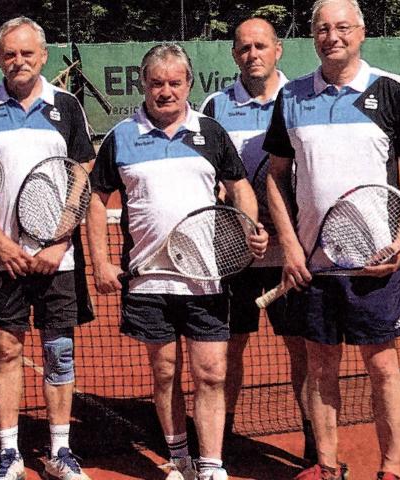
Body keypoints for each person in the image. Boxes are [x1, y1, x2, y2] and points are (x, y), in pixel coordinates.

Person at [86, 43, 268, 480]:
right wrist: (101, 262)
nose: (165, 91)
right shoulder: (121, 137)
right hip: (148, 282)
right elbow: (95, 198)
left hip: (205, 279)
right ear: (143, 84)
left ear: (188, 84)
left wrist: (250, 227)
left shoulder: (211, 132)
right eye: (156, 83)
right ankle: (180, 458)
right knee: (165, 372)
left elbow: (240, 187)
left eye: (174, 82)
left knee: (211, 374)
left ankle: (211, 465)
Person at [263, 1, 400, 479]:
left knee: (382, 367)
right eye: (322, 29)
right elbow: (276, 176)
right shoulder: (292, 96)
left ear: (361, 32)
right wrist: (291, 246)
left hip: (375, 263)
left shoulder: (390, 90)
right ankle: (328, 465)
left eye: (342, 27)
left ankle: (390, 469)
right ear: (312, 36)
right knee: (320, 369)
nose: (332, 37)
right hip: (313, 265)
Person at [0, 16, 96, 480]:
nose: (18, 61)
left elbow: (81, 174)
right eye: (10, 54)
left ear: (43, 56)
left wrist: (59, 240)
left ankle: (60, 450)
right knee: (6, 351)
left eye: (27, 53)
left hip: (57, 259)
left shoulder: (66, 105)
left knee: (59, 352)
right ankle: (9, 453)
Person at [199, 18, 316, 462]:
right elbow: (207, 172)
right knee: (229, 348)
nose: (253, 55)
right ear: (234, 55)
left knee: (302, 349)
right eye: (244, 48)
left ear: (278, 50)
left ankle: (315, 442)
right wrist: (239, 215)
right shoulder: (215, 106)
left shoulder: (300, 98)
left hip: (292, 254)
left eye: (261, 46)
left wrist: (283, 225)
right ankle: (223, 438)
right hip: (235, 256)